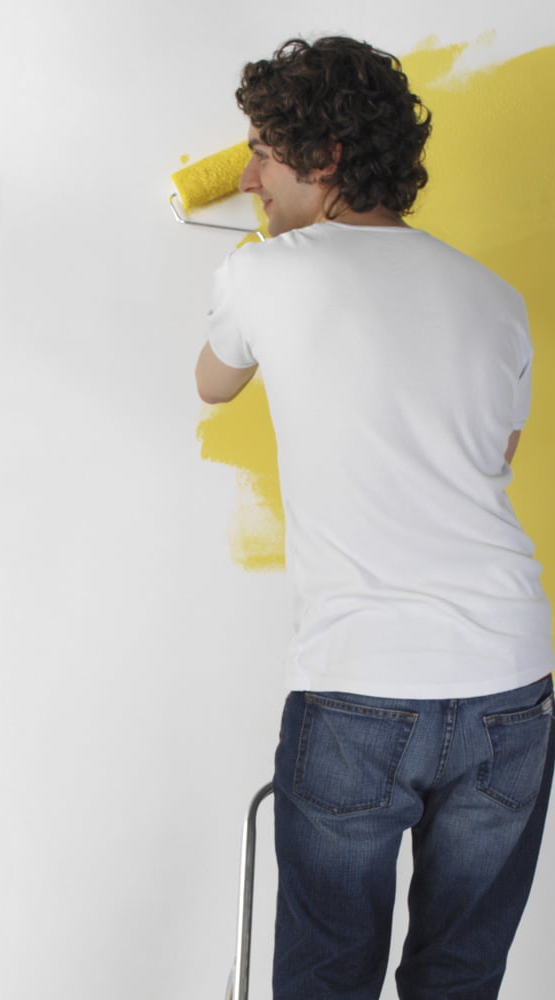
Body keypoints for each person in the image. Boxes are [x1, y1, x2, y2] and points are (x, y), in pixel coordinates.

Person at [195, 37, 555, 1000]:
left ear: (326, 160)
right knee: (459, 975)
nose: (247, 174)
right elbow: (493, 461)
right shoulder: (498, 299)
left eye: (263, 152)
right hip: (511, 687)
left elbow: (212, 383)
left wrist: (254, 246)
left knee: (326, 978)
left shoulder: (262, 274)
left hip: (358, 687)